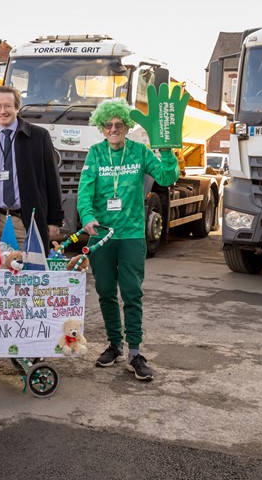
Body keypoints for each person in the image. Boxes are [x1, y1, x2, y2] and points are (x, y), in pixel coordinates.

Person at [77, 99, 179, 381]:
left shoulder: (139, 151)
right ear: (101, 127)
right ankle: (114, 345)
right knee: (106, 291)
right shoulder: (95, 154)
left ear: (126, 126)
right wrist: (87, 217)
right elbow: (85, 192)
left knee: (132, 293)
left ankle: (135, 352)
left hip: (132, 234)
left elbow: (167, 176)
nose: (113, 129)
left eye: (118, 124)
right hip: (102, 235)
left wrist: (168, 153)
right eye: (108, 125)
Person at [0, 85, 63, 248]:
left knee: (30, 272)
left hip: (27, 222)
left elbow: (52, 181)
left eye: (7, 106)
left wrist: (54, 221)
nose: (2, 111)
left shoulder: (39, 137)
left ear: (17, 108)